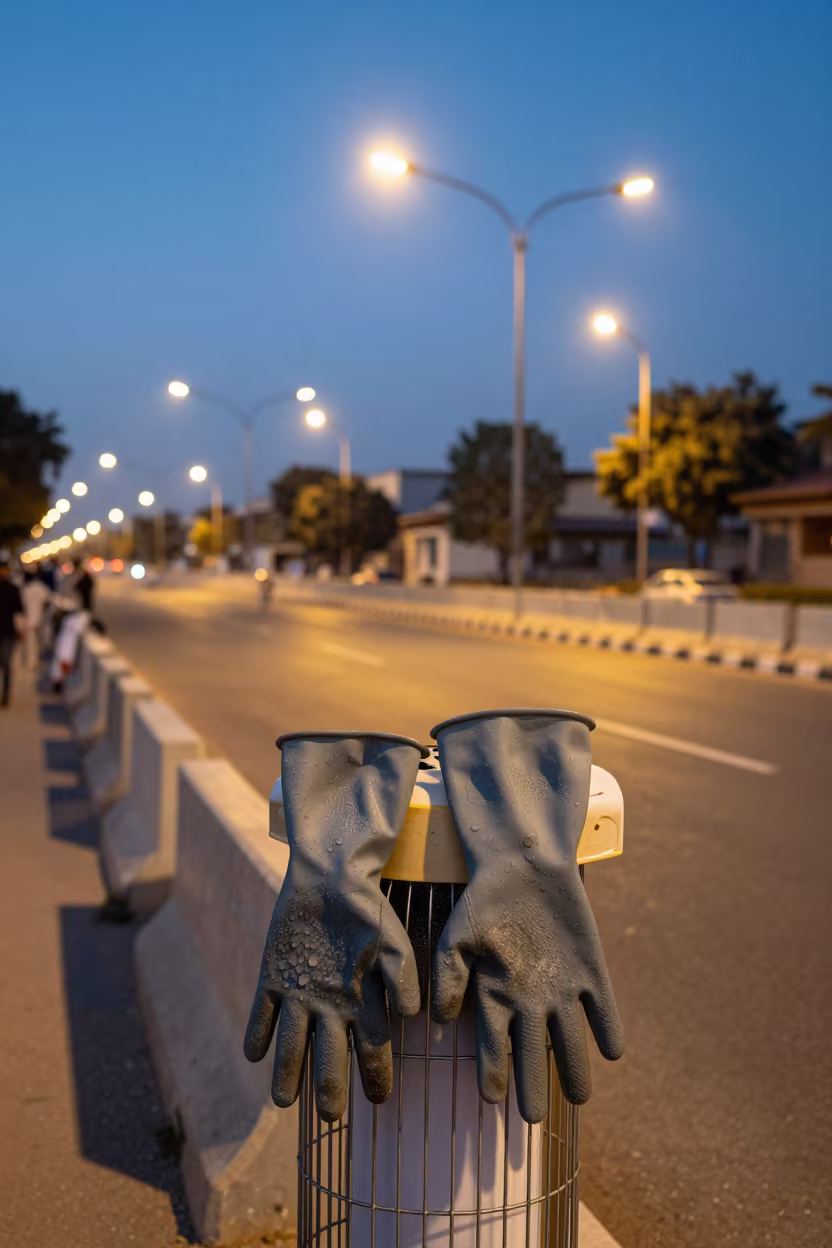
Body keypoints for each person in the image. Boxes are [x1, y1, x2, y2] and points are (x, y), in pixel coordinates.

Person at [0, 560, 25, 707]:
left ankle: (5, 696)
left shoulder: (13, 589)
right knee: (5, 663)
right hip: (8, 632)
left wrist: (21, 629)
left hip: (8, 632)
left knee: (6, 663)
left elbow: (19, 611)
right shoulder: (13, 588)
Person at [21, 570, 51, 668]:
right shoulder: (41, 587)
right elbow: (47, 600)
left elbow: (22, 607)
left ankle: (32, 662)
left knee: (31, 643)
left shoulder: (25, 589)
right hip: (40, 619)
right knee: (39, 642)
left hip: (29, 620)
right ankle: (38, 659)